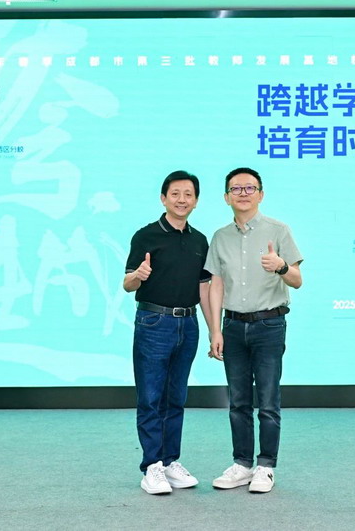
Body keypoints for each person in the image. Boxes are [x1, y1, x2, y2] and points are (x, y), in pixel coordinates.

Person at [205, 167, 303, 494]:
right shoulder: (220, 237)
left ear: (261, 194)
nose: (243, 193)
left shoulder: (279, 230)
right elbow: (216, 284)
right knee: (238, 401)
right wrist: (215, 329)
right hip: (233, 326)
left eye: (250, 188)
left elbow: (297, 280)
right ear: (226, 197)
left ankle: (266, 466)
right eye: (236, 189)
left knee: (268, 401)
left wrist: (281, 266)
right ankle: (242, 464)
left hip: (269, 325)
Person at [123, 170, 214, 495]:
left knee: (176, 397)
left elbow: (205, 288)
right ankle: (151, 466)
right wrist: (139, 274)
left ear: (196, 201)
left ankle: (169, 460)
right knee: (151, 397)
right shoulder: (145, 236)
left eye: (188, 194)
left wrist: (213, 330)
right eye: (175, 194)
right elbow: (127, 284)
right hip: (154, 322)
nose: (181, 200)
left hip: (187, 324)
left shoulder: (199, 240)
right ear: (163, 198)